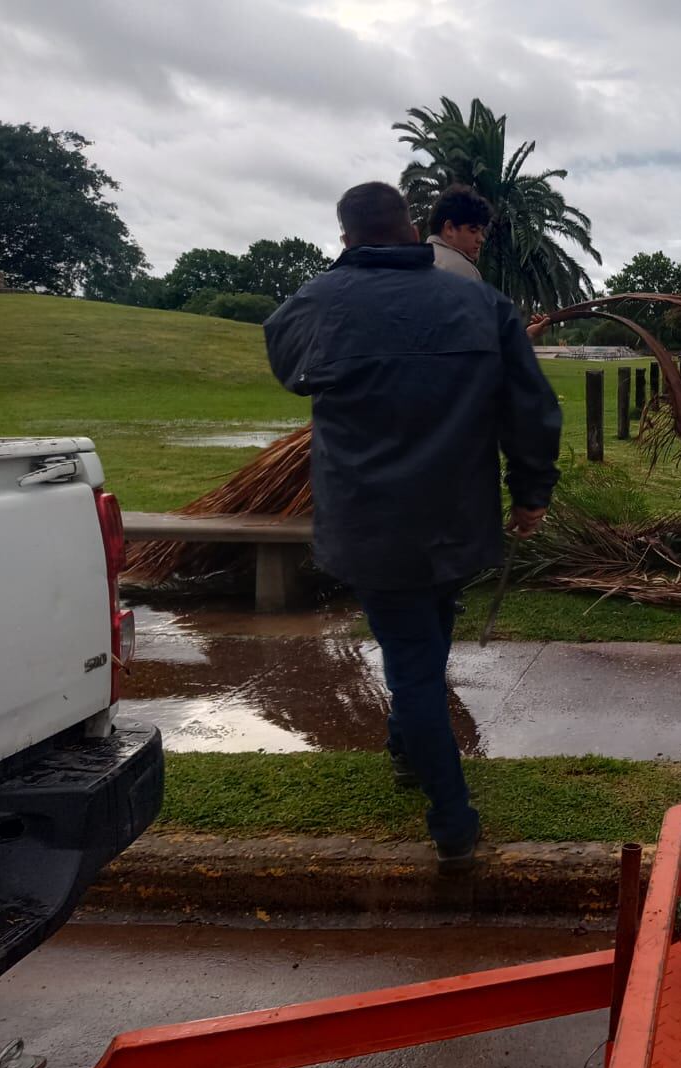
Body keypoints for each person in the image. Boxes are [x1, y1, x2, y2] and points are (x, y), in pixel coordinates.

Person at [263, 181, 561, 868]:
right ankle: (438, 795)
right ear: (411, 227)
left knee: (415, 663)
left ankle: (442, 802)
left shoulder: (317, 302)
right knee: (423, 654)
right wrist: (530, 494)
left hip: (369, 526)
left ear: (345, 237)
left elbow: (287, 364)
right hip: (457, 521)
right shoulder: (480, 303)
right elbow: (532, 408)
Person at [425, 183, 489, 282]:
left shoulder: (417, 261)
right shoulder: (461, 269)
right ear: (449, 228)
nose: (481, 239)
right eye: (473, 231)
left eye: (482, 231)